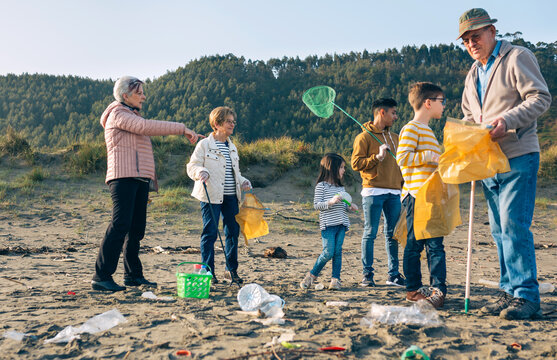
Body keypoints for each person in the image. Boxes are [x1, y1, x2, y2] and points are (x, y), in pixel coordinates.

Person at [458, 8, 551, 319]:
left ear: (492, 32)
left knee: (514, 225)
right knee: (499, 230)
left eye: (476, 36)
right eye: (466, 40)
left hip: (519, 154)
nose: (472, 43)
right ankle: (508, 291)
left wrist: (506, 121)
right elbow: (470, 119)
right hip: (487, 164)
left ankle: (527, 296)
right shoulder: (472, 75)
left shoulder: (517, 57)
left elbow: (540, 98)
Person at [92, 76, 202, 292]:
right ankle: (101, 275)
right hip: (123, 177)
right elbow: (145, 127)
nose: (144, 96)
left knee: (136, 229)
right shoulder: (118, 113)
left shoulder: (130, 113)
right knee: (120, 224)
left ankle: (133, 275)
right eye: (139, 92)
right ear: (126, 95)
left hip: (138, 178)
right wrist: (182, 129)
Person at [187, 106, 251, 284]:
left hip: (232, 197)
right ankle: (207, 272)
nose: (232, 124)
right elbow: (191, 166)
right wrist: (200, 171)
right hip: (210, 196)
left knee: (233, 233)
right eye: (228, 121)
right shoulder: (204, 145)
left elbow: (234, 173)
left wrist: (243, 181)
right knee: (210, 233)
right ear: (217, 124)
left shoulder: (232, 147)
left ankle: (231, 271)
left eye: (233, 121)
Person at [396, 82, 447, 309]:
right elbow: (403, 158)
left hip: (431, 196)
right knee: (415, 245)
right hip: (416, 195)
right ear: (428, 103)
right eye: (441, 101)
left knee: (436, 244)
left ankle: (437, 290)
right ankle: (413, 290)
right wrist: (429, 155)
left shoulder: (429, 131)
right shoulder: (411, 128)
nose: (444, 106)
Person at [351, 98, 405, 288]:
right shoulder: (364, 137)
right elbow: (356, 164)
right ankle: (367, 275)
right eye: (393, 112)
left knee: (393, 235)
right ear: (382, 112)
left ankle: (394, 275)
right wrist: (377, 157)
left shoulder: (397, 138)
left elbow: (401, 165)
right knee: (370, 232)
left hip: (395, 192)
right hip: (373, 191)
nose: (395, 116)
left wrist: (403, 186)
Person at [300, 153, 358, 291]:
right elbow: (317, 205)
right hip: (328, 225)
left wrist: (350, 207)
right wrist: (330, 202)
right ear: (332, 168)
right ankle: (311, 276)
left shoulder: (340, 188)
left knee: (337, 252)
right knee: (328, 252)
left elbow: (343, 205)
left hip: (342, 224)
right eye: (342, 167)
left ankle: (335, 280)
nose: (344, 170)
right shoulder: (321, 186)